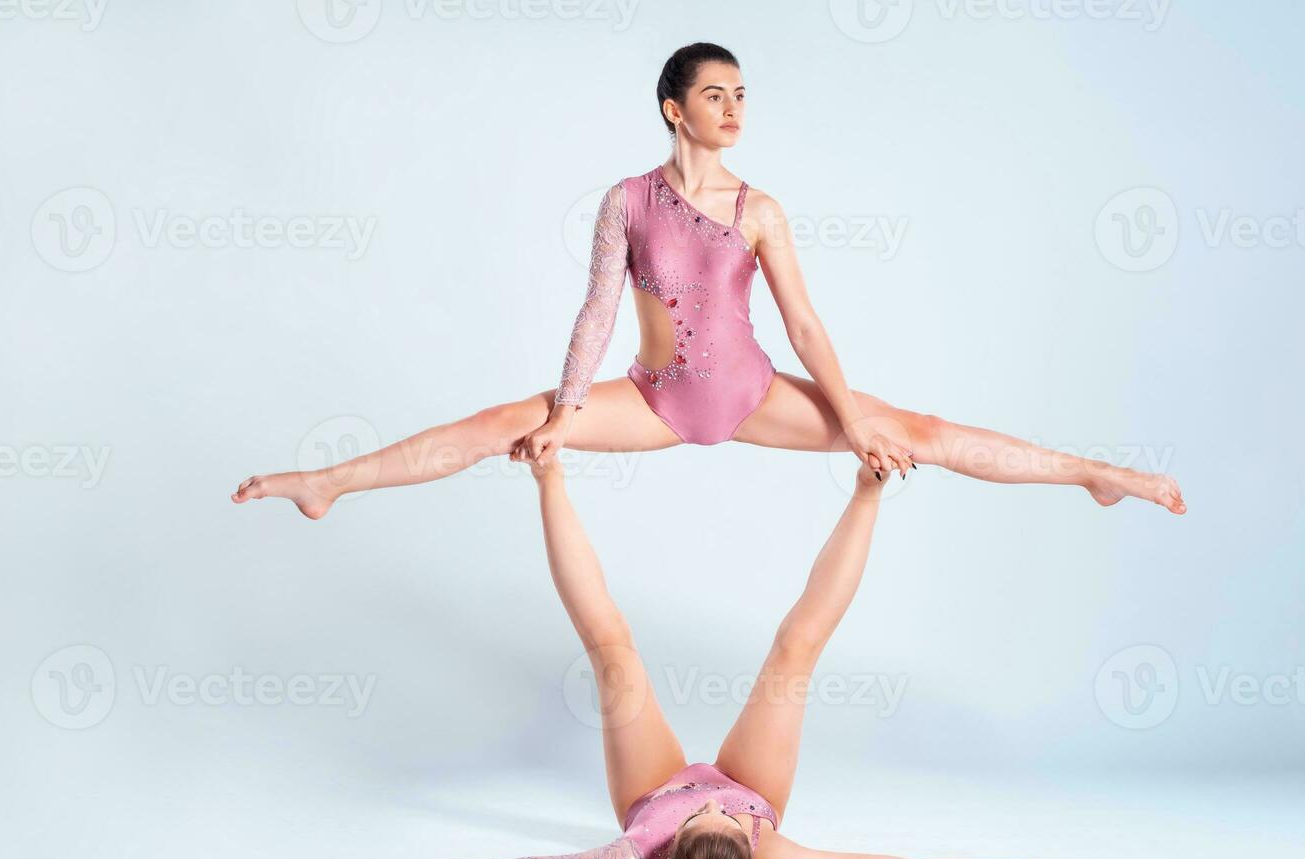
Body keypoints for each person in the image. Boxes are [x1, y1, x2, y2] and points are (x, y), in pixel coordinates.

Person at [233, 42, 1186, 520]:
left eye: (741, 96)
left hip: (753, 394)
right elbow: (599, 311)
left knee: (919, 434)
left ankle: (1092, 473)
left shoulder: (760, 208)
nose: (733, 110)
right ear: (673, 109)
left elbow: (805, 327)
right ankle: (326, 483)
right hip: (652, 400)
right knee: (502, 426)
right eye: (715, 96)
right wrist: (567, 409)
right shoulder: (627, 199)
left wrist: (852, 422)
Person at [288, 456, 1123, 859]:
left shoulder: (623, 858)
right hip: (766, 778)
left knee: (612, 651)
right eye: (714, 813)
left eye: (702, 814)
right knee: (795, 648)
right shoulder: (773, 853)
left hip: (640, 785)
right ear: (752, 856)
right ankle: (871, 494)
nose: (707, 795)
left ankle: (548, 480)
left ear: (669, 846)